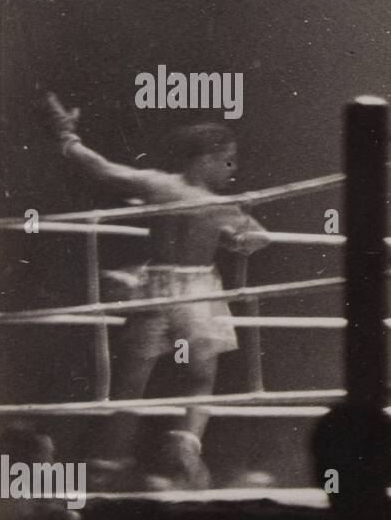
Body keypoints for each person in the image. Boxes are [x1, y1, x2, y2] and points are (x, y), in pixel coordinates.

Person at [44, 94, 269, 485]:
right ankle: (183, 452)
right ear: (208, 158)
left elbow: (101, 169)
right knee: (199, 379)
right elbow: (261, 238)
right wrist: (235, 240)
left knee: (132, 382)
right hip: (198, 290)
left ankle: (108, 464)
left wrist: (68, 137)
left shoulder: (159, 185)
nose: (232, 169)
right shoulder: (219, 205)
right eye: (228, 159)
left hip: (157, 287)